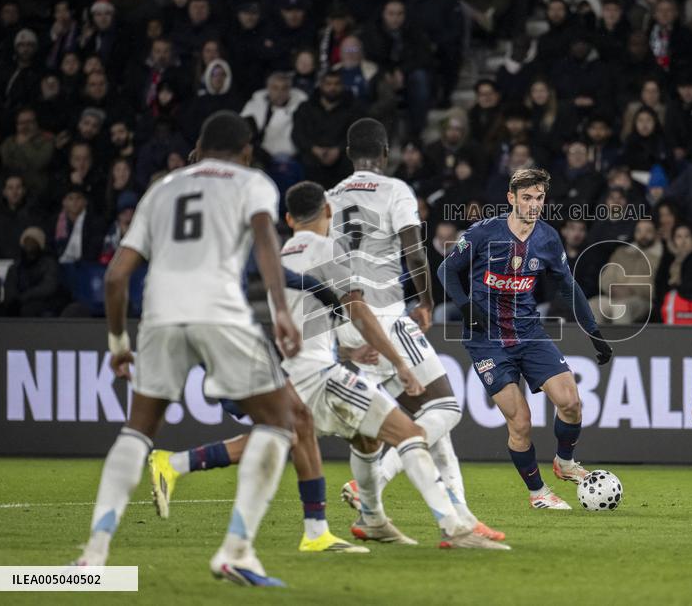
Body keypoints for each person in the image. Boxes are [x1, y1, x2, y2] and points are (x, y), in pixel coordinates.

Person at [149, 181, 507, 551]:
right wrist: (399, 361)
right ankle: (453, 527)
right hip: (320, 377)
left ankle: (371, 520)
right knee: (409, 435)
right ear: (328, 212)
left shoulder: (282, 255)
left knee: (359, 440)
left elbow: (310, 317)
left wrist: (349, 355)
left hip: (298, 372)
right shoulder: (328, 248)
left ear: (288, 218)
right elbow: (357, 309)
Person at [73, 111, 302, 586]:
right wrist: (280, 309)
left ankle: (92, 558)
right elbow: (265, 240)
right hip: (219, 311)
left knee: (137, 430)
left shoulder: (163, 187)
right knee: (281, 421)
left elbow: (116, 276)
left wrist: (118, 343)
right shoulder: (252, 181)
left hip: (159, 314)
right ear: (245, 152)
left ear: (199, 146)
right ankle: (236, 550)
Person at [325, 119, 504, 543]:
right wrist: (425, 300)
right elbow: (413, 249)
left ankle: (460, 516)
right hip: (386, 315)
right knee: (446, 409)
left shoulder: (329, 199)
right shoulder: (395, 191)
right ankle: (375, 484)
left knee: (429, 421)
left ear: (350, 154)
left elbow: (321, 267)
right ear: (385, 154)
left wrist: (338, 338)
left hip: (347, 321)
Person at [438, 168, 613, 509]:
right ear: (511, 199)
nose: (534, 205)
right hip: (486, 340)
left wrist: (595, 333)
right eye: (527, 198)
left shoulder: (547, 238)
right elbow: (447, 269)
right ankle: (538, 493)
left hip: (529, 332)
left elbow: (568, 286)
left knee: (571, 402)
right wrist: (465, 306)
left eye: (539, 198)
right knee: (520, 422)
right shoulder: (483, 232)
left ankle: (564, 462)